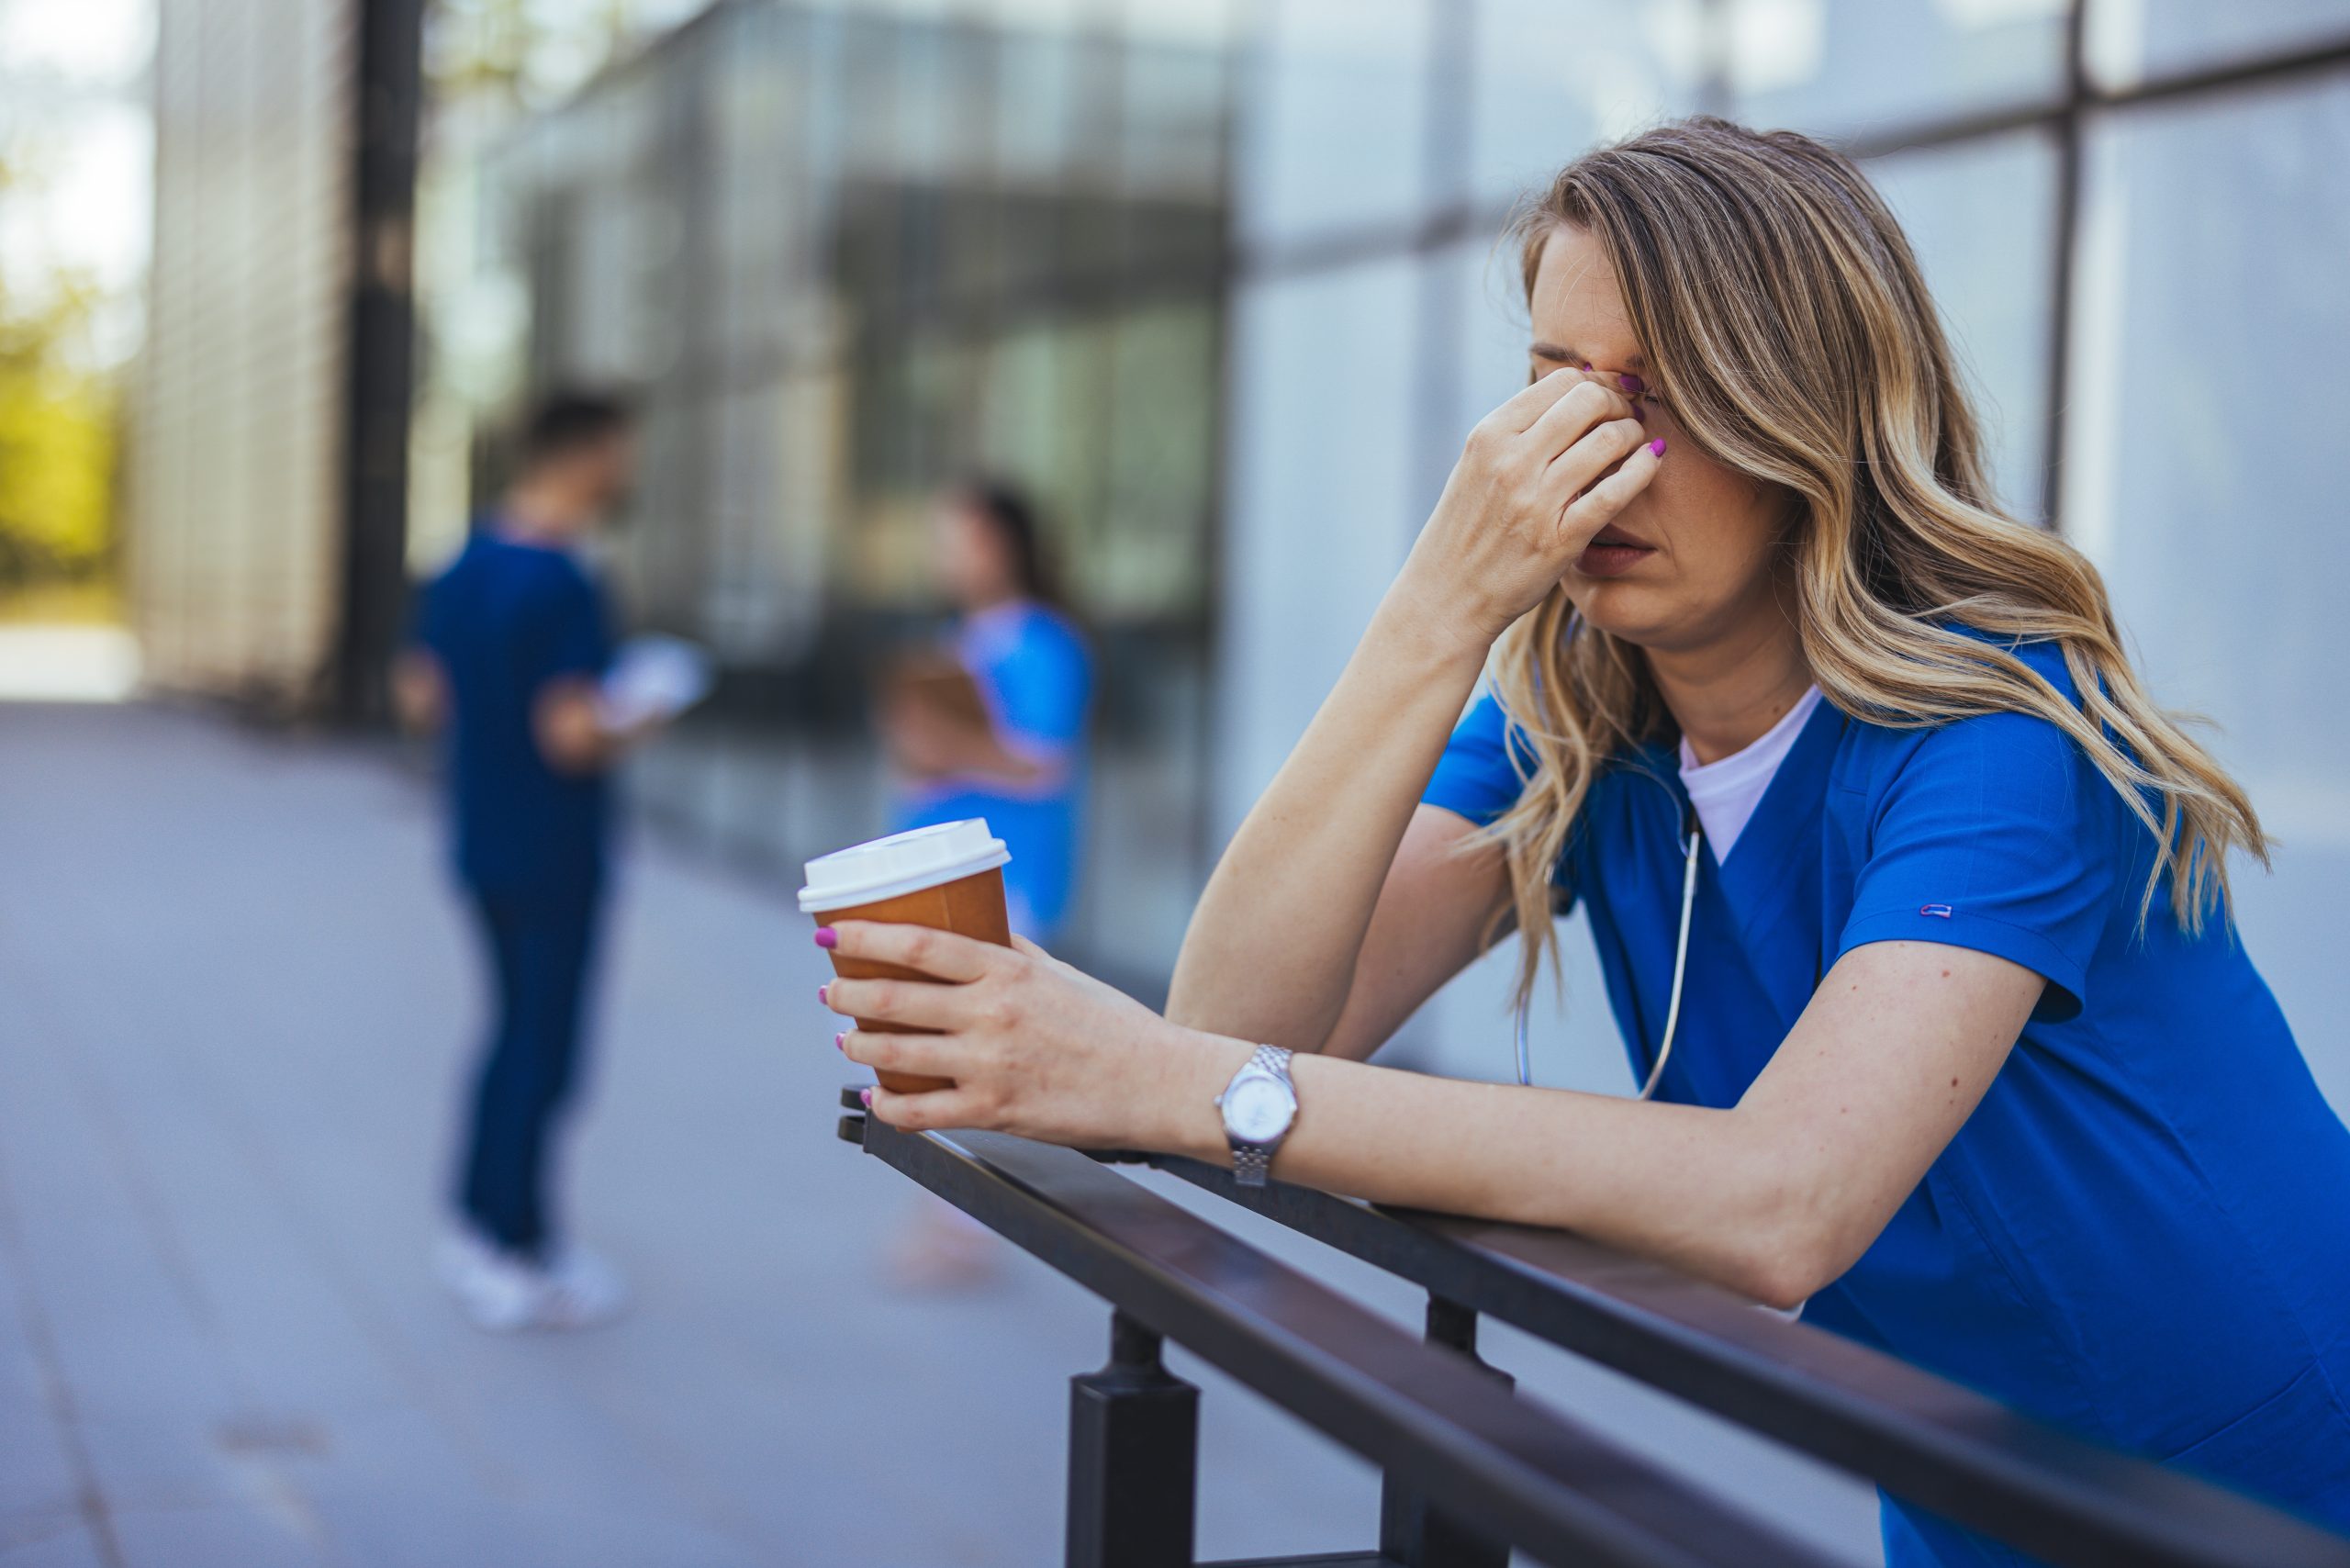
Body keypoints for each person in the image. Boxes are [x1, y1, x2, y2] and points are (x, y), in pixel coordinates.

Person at [812, 118, 2350, 1564]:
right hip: (1979, 1485)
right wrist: (1438, 608)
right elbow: (1245, 1027)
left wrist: (1164, 1078)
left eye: (1665, 392)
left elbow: (1784, 1199)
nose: (1596, 450)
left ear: (1805, 418)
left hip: (2270, 1483)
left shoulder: (2003, 727)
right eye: (1557, 383)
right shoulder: (1580, 709)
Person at [396, 390, 655, 1331]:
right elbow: (572, 735)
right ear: (580, 454)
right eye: (620, 450)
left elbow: (421, 697)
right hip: (553, 848)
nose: (627, 471)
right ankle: (510, 1245)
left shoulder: (463, 563)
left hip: (480, 836)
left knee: (507, 1035)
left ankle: (495, 1231)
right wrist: (643, 713)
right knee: (544, 1049)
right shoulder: (566, 581)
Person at [874, 479, 1091, 1286]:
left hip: (1003, 874)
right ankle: (953, 1217)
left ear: (999, 545)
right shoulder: (961, 641)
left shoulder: (1043, 643)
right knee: (937, 1049)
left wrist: (947, 744)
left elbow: (1040, 763)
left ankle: (965, 1223)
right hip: (935, 866)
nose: (944, 558)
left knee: (963, 1053)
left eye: (956, 540)